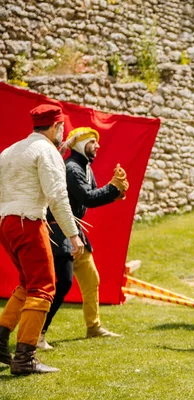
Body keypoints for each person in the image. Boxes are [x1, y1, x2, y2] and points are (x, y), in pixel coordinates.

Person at [0, 104, 84, 374]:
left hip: (5, 222)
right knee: (43, 287)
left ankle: (0, 343)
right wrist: (73, 234)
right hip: (28, 222)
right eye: (62, 127)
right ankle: (25, 359)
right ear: (56, 126)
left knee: (27, 283)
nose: (64, 132)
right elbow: (58, 196)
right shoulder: (47, 151)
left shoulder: (9, 151)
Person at [37, 127, 128, 350]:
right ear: (80, 144)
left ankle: (93, 327)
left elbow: (92, 197)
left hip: (76, 231)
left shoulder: (85, 167)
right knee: (61, 284)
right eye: (92, 141)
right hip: (60, 231)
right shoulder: (72, 168)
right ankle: (38, 333)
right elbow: (88, 198)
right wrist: (113, 189)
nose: (97, 145)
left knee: (91, 280)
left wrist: (116, 193)